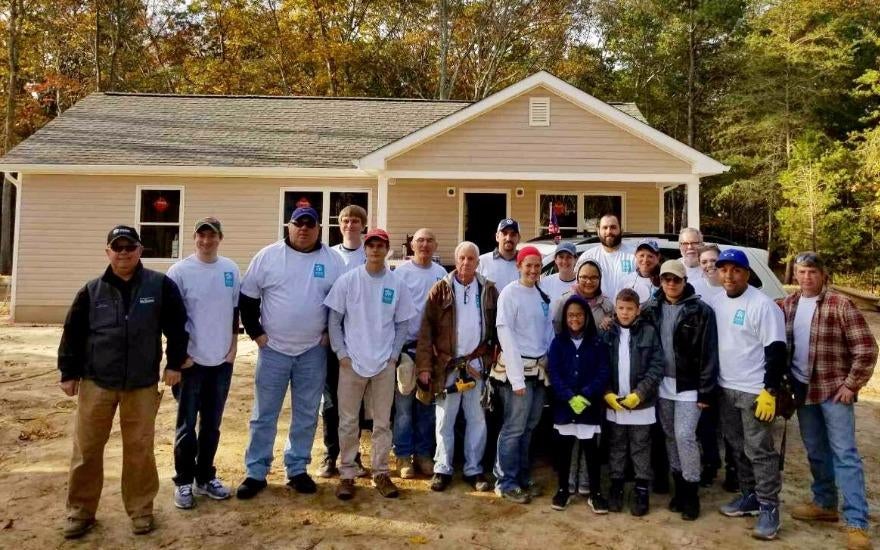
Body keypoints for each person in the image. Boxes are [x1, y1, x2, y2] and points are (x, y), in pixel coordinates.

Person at [57, 225, 188, 538]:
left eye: (130, 247)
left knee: (139, 450)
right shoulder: (91, 291)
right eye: (118, 247)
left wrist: (173, 364)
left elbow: (177, 327)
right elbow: (72, 333)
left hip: (141, 384)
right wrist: (68, 372)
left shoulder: (160, 286)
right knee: (87, 450)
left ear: (140, 250)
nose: (124, 253)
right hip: (96, 382)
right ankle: (80, 512)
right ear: (108, 252)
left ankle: (141, 511)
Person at [237, 206, 344, 499]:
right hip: (273, 351)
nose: (304, 229)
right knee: (264, 414)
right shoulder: (268, 256)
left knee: (307, 414)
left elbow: (342, 303)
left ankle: (297, 468)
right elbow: (247, 299)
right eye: (299, 224)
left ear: (319, 229)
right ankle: (256, 472)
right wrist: (256, 334)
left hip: (313, 351)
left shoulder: (333, 260)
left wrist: (329, 334)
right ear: (289, 226)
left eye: (310, 225)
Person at [783, 252, 877, 550]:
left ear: (823, 274)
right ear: (794, 275)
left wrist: (852, 385)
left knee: (845, 455)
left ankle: (857, 522)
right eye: (801, 271)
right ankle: (825, 503)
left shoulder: (841, 304)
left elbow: (867, 349)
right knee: (815, 450)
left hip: (834, 390)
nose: (806, 277)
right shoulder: (789, 305)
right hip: (803, 390)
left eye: (812, 271)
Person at [325, 228, 417, 500]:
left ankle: (380, 473)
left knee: (381, 423)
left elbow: (402, 324)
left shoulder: (396, 284)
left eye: (381, 245)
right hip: (351, 363)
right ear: (364, 249)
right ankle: (347, 473)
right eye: (371, 245)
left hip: (383, 365)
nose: (375, 249)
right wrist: (341, 353)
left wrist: (393, 356)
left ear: (387, 249)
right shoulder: (348, 281)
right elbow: (334, 321)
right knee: (348, 421)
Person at [710, 248, 787, 541]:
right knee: (737, 446)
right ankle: (749, 496)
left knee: (760, 450)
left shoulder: (763, 305)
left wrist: (771, 390)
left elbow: (776, 350)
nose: (729, 275)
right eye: (724, 270)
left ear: (747, 274)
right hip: (725, 388)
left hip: (754, 391)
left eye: (736, 270)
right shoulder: (717, 303)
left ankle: (769, 507)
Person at [166, 217, 240, 510]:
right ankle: (183, 481)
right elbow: (171, 319)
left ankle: (204, 477)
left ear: (220, 238)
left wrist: (233, 346)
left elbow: (234, 311)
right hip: (191, 362)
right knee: (186, 426)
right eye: (201, 236)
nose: (206, 241)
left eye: (212, 236)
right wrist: (177, 357)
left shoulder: (230, 270)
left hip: (221, 361)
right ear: (194, 238)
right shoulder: (179, 271)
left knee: (212, 424)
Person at [416, 241, 498, 492]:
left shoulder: (488, 291)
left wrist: (492, 361)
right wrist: (424, 367)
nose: (465, 263)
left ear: (477, 262)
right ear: (455, 259)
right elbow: (426, 331)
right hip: (447, 365)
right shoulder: (440, 289)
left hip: (475, 365)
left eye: (471, 259)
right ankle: (443, 468)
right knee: (444, 420)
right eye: (461, 258)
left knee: (477, 420)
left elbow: (497, 329)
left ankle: (474, 470)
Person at [641, 260, 719, 520]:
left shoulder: (700, 311)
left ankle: (691, 493)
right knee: (670, 436)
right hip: (662, 385)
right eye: (666, 279)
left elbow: (709, 352)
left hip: (689, 386)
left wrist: (706, 390)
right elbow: (627, 319)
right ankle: (679, 489)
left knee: (685, 435)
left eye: (676, 279)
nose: (671, 284)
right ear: (660, 282)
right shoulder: (652, 308)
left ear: (685, 280)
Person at [490, 246, 555, 504]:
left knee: (529, 427)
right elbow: (505, 334)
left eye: (537, 266)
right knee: (513, 428)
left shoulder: (541, 294)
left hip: (538, 372)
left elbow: (546, 332)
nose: (533, 270)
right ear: (519, 266)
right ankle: (505, 481)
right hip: (517, 371)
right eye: (528, 265)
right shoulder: (510, 293)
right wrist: (516, 379)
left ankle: (522, 476)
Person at [551, 259, 614, 495]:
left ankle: (588, 484)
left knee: (589, 442)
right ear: (577, 277)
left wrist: (588, 393)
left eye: (594, 277)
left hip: (592, 387)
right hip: (567, 387)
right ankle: (567, 485)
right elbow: (557, 358)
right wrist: (568, 394)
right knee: (568, 441)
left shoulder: (608, 306)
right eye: (584, 276)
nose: (588, 281)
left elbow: (604, 365)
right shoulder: (563, 302)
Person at [603, 288, 664, 516]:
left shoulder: (648, 332)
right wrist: (607, 393)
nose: (625, 313)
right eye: (621, 308)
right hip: (615, 402)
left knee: (640, 446)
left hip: (642, 403)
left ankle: (641, 488)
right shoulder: (608, 333)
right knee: (617, 445)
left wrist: (640, 393)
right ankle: (616, 486)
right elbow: (601, 367)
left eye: (630, 309)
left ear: (638, 310)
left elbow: (657, 366)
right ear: (615, 309)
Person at [391, 228, 446, 478]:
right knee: (403, 409)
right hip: (405, 350)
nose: (424, 244)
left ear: (435, 246)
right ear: (412, 245)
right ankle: (403, 456)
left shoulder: (441, 274)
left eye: (429, 240)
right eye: (420, 240)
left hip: (431, 353)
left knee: (426, 407)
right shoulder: (400, 273)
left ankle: (424, 455)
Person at [320, 204, 369, 478]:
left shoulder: (370, 255)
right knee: (330, 400)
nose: (350, 225)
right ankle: (330, 454)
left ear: (363, 225)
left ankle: (355, 455)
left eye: (355, 221)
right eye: (346, 220)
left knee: (355, 403)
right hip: (332, 339)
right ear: (340, 225)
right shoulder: (329, 256)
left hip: (360, 342)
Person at [575, 214, 635, 299]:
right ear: (598, 231)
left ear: (621, 230)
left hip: (626, 311)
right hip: (596, 311)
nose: (609, 231)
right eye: (605, 228)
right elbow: (578, 288)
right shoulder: (587, 257)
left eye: (613, 227)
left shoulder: (634, 255)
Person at [477, 218, 521, 291]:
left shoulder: (525, 264)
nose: (508, 238)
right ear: (497, 237)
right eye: (504, 233)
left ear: (518, 238)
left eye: (513, 234)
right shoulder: (482, 261)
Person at [618, 239, 661, 304]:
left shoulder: (665, 282)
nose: (645, 260)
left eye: (650, 256)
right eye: (642, 255)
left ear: (658, 257)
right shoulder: (625, 281)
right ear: (635, 255)